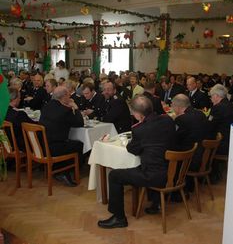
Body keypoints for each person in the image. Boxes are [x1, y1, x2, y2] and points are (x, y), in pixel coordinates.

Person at [97, 95, 176, 229]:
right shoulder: (167, 120)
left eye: (133, 112)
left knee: (114, 176)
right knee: (151, 161)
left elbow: (133, 149)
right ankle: (155, 203)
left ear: (138, 114)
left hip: (154, 176)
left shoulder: (140, 129)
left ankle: (119, 218)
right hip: (171, 172)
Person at [39, 86, 84, 187]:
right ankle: (65, 171)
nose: (70, 97)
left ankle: (57, 169)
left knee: (67, 141)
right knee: (79, 144)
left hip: (42, 145)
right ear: (64, 97)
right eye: (68, 95)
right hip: (54, 148)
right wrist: (75, 107)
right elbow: (80, 123)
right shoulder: (65, 110)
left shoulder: (46, 106)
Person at [208, 84, 233, 182]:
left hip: (221, 144)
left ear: (216, 96)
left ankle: (211, 174)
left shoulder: (217, 108)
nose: (211, 99)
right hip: (232, 141)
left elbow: (210, 125)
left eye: (211, 96)